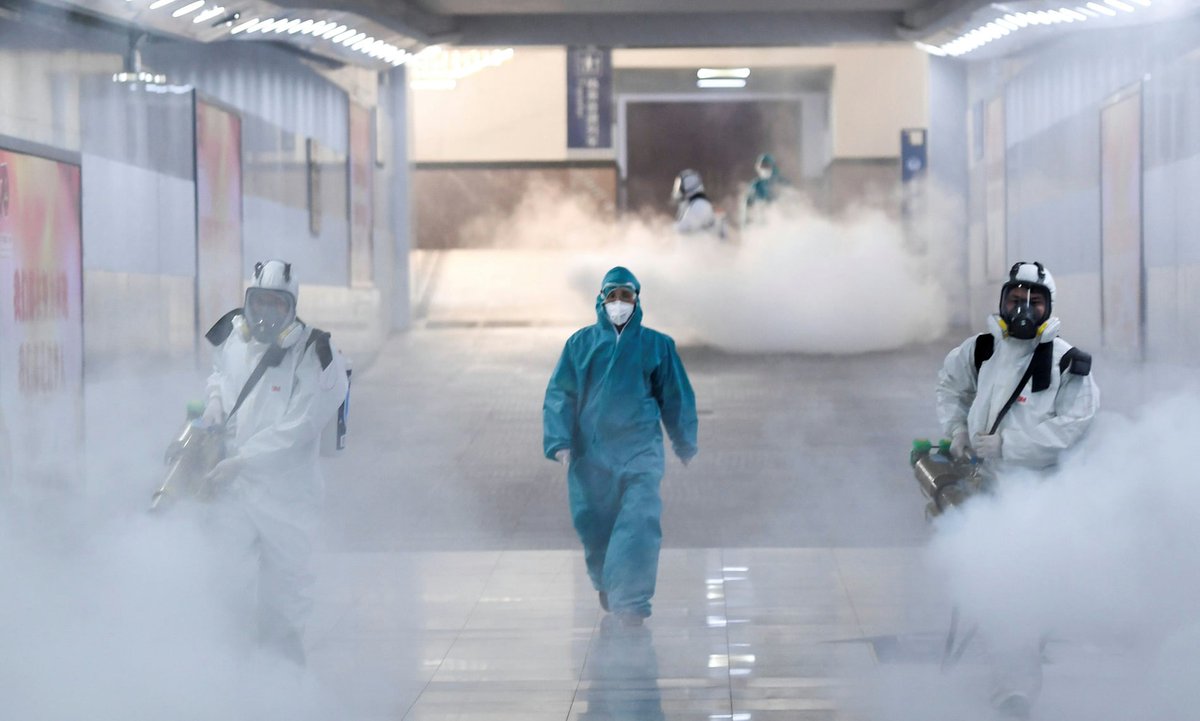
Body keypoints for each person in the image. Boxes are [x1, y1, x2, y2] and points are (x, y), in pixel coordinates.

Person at [935, 260, 1099, 718]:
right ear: (1003, 300)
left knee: (1023, 591)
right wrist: (957, 431)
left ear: (1049, 307)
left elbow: (1075, 426)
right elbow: (950, 387)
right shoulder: (981, 350)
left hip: (1037, 499)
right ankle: (1009, 686)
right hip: (984, 491)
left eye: (1035, 301)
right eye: (1015, 298)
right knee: (995, 588)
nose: (1023, 308)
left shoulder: (1067, 363)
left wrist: (1010, 446)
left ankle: (1014, 689)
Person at [200, 259, 349, 665]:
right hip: (237, 490)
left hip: (288, 499)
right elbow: (220, 375)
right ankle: (232, 681)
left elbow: (300, 427)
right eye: (259, 302)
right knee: (227, 589)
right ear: (247, 301)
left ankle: (285, 687)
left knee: (285, 601)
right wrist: (214, 403)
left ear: (292, 307)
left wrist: (243, 460)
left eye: (276, 304)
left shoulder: (315, 354)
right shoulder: (234, 339)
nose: (265, 313)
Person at [543, 266, 698, 626]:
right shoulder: (580, 345)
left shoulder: (657, 346)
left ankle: (631, 601)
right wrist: (559, 440)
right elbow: (561, 394)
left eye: (625, 295)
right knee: (595, 525)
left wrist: (684, 441)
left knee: (639, 521)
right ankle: (607, 580)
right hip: (591, 455)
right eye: (612, 295)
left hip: (640, 452)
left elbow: (675, 396)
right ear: (600, 300)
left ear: (637, 300)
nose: (618, 303)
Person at [740, 152, 785, 228]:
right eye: (762, 167)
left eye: (767, 166)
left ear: (773, 167)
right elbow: (748, 207)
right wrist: (746, 226)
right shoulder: (756, 185)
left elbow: (790, 203)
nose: (764, 169)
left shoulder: (782, 183)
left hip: (779, 223)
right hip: (760, 224)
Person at [670, 169, 719, 236]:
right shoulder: (693, 204)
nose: (678, 189)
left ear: (687, 185)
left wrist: (668, 230)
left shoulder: (700, 205)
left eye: (679, 185)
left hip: (704, 242)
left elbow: (687, 226)